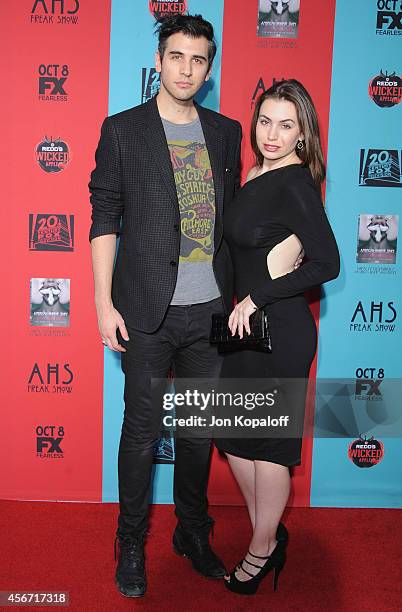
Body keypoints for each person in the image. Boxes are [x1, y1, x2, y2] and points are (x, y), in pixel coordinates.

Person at [88, 14, 242, 598]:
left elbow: (235, 223)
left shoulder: (226, 133)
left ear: (209, 68)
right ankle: (130, 541)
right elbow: (105, 218)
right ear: (158, 61)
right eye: (176, 56)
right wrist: (104, 305)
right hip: (146, 313)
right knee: (142, 434)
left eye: (199, 59)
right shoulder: (123, 129)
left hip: (210, 315)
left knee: (200, 435)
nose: (187, 69)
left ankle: (192, 533)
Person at [214, 79, 340, 595]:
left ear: (302, 135)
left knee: (269, 450)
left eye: (286, 124)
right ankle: (270, 532)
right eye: (265, 120)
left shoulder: (294, 183)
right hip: (242, 333)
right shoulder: (255, 174)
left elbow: (328, 262)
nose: (272, 132)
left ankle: (262, 548)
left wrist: (258, 296)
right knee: (235, 441)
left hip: (280, 331)